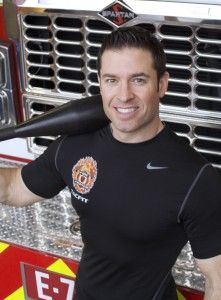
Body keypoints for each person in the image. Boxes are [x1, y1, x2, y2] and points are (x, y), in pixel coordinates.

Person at [0, 26, 221, 300]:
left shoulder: (195, 178)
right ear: (100, 83)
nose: (124, 95)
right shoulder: (75, 145)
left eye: (138, 80)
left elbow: (218, 279)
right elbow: (12, 188)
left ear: (162, 84)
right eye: (112, 80)